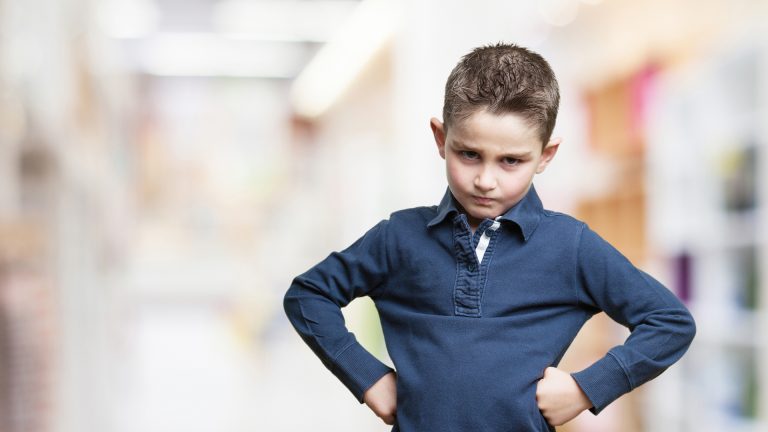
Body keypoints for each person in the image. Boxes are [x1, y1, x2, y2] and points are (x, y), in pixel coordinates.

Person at [283, 43, 696, 431]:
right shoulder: (398, 238)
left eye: (511, 161)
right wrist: (367, 377)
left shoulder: (571, 246)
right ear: (441, 139)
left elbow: (669, 322)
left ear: (545, 156)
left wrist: (585, 388)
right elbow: (308, 295)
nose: (485, 180)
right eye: (469, 154)